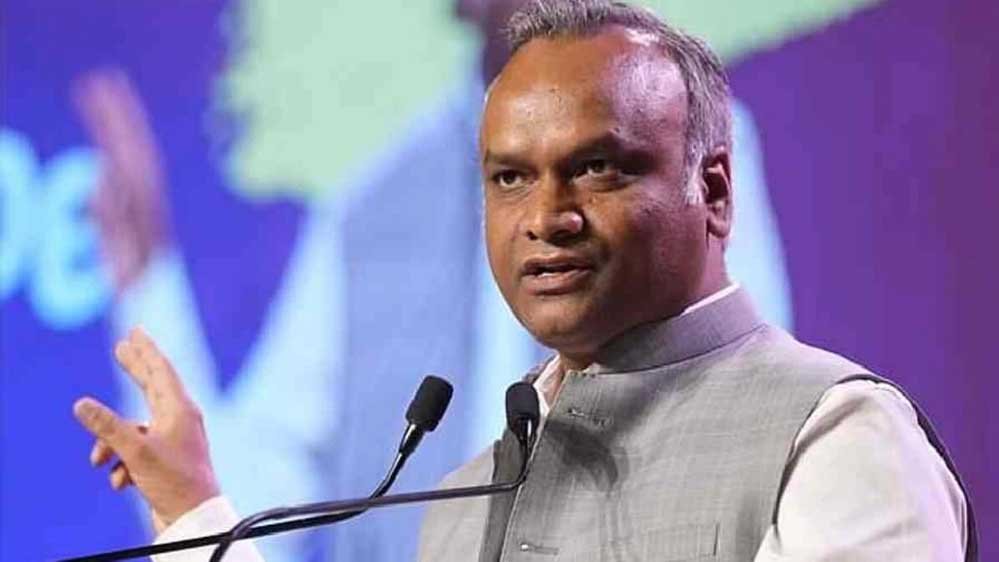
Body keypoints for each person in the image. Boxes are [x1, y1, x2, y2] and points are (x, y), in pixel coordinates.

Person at [71, 1, 975, 560]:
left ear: (712, 190)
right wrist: (191, 506)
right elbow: (278, 461)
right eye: (508, 178)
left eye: (598, 167)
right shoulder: (458, 511)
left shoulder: (831, 446)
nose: (546, 216)